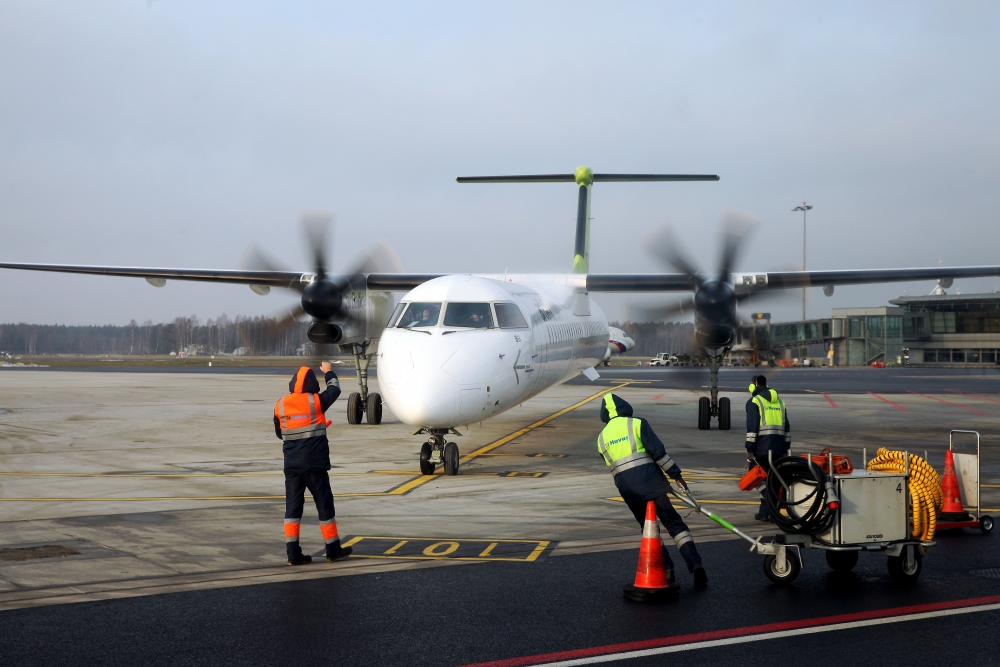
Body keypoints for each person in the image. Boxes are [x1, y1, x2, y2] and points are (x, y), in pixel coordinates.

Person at [598, 393, 708, 588]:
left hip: (629, 491)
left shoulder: (601, 438)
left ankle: (667, 569)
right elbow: (658, 453)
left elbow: (613, 468)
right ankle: (695, 563)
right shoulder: (637, 424)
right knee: (674, 524)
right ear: (625, 407)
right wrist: (676, 475)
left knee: (649, 530)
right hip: (652, 484)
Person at [273, 362, 352, 565]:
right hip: (315, 466)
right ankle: (333, 550)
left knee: (292, 510)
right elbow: (335, 388)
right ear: (311, 384)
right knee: (324, 507)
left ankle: (293, 554)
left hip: (292, 467)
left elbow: (280, 433)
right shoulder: (315, 401)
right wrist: (328, 371)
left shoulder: (280, 404)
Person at [745, 374, 790, 522]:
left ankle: (771, 500)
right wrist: (786, 448)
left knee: (753, 475)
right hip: (778, 447)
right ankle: (765, 513)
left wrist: (750, 449)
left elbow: (752, 428)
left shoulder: (754, 401)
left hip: (761, 448)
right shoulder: (780, 402)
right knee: (771, 478)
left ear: (755, 385)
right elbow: (787, 427)